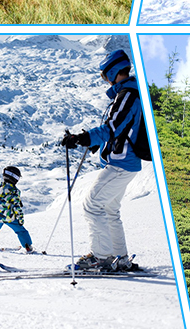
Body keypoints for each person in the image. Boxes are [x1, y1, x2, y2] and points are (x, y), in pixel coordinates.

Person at [61, 49, 143, 271]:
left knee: (91, 206)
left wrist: (84, 137)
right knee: (109, 210)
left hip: (121, 164)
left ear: (113, 71)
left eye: (104, 75)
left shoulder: (127, 94)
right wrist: (97, 141)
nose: (104, 80)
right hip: (125, 162)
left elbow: (113, 127)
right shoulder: (127, 93)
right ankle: (120, 258)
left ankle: (101, 256)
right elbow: (122, 129)